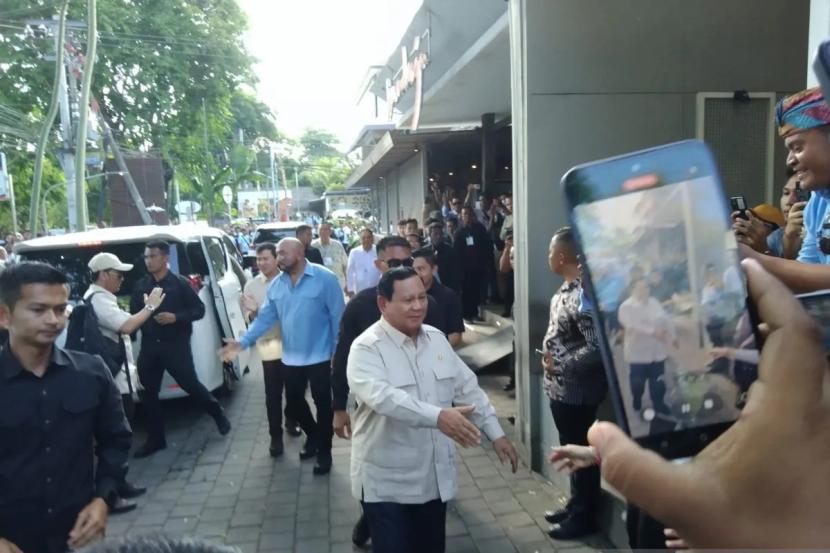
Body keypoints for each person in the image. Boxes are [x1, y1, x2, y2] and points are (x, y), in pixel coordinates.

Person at [581, 259, 830, 548]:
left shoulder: (742, 415)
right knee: (642, 400)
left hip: (693, 413)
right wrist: (594, 453)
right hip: (646, 368)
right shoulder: (634, 313)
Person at [346, 268, 519, 553]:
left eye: (422, 297)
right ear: (383, 304)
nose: (417, 306)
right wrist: (437, 417)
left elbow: (467, 387)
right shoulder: (366, 349)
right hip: (387, 486)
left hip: (432, 481)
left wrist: (496, 433)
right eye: (407, 300)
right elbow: (383, 398)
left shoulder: (436, 339)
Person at [0, 262, 132, 553]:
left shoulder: (91, 372)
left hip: (76, 539)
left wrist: (102, 498)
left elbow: (116, 440)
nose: (53, 320)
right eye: (38, 310)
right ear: (4, 316)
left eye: (60, 310)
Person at [332, 235, 452, 548]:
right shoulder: (361, 309)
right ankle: (369, 520)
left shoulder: (431, 310)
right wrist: (338, 407)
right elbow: (344, 360)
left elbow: (446, 365)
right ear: (379, 264)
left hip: (427, 450)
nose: (416, 307)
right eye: (393, 263)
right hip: (384, 452)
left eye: (406, 263)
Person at [220, 238, 344, 475]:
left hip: (320, 356)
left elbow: (338, 316)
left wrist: (338, 352)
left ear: (298, 253)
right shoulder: (277, 285)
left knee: (323, 405)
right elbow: (266, 318)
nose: (278, 258)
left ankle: (325, 453)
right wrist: (243, 342)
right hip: (290, 357)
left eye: (282, 253)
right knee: (295, 404)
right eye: (276, 254)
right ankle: (315, 435)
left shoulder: (324, 278)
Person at [130, 240, 231, 458]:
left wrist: (176, 317)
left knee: (191, 385)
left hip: (175, 347)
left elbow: (199, 310)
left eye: (153, 256)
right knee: (147, 393)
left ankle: (216, 412)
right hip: (149, 347)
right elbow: (134, 316)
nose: (148, 261)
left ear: (165, 258)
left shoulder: (179, 284)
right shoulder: (141, 286)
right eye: (146, 257)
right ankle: (156, 439)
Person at [83, 253, 166, 514]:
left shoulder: (100, 298)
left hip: (117, 378)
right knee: (114, 438)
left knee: (121, 434)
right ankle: (108, 494)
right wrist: (150, 307)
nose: (122, 279)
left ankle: (119, 483)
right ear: (104, 275)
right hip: (112, 381)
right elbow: (128, 326)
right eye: (118, 275)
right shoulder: (99, 300)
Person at [539, 228, 607, 539]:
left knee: (582, 453)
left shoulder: (584, 294)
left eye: (551, 252)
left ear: (562, 256)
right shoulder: (567, 289)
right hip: (561, 389)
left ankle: (585, 516)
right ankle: (576, 503)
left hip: (578, 392)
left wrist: (562, 363)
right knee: (571, 448)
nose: (548, 257)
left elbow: (597, 346)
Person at [241, 243, 297, 458]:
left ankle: (292, 420)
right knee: (272, 392)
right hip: (270, 342)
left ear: (276, 259)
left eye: (266, 258)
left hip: (294, 342)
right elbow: (250, 318)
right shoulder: (251, 286)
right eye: (259, 259)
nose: (262, 263)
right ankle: (275, 436)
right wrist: (254, 313)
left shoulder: (290, 281)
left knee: (294, 388)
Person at [618, 278, 675, 416]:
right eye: (640, 288)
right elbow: (631, 326)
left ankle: (658, 403)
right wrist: (653, 332)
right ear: (633, 290)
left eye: (646, 287)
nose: (644, 290)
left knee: (658, 381)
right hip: (638, 354)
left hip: (657, 352)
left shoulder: (654, 302)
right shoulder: (626, 307)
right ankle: (637, 398)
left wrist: (672, 336)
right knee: (638, 383)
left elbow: (665, 318)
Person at [412, 249, 464, 347]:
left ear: (434, 269)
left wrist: (436, 350)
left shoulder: (449, 296)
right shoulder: (404, 296)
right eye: (413, 270)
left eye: (421, 269)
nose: (416, 274)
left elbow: (456, 335)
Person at [453, 206, 492, 321]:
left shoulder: (479, 229)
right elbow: (456, 252)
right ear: (461, 216)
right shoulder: (459, 233)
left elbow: (487, 246)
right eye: (464, 214)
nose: (467, 217)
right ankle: (467, 315)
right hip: (465, 268)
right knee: (467, 292)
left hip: (478, 266)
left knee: (476, 291)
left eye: (469, 214)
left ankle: (474, 313)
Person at [311, 221, 348, 293]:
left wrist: (347, 283)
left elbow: (345, 265)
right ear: (318, 231)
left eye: (326, 229)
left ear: (330, 232)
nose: (323, 232)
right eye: (321, 229)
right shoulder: (313, 246)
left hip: (337, 283)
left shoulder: (337, 245)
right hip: (320, 285)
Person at [346, 228, 381, 297]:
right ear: (360, 240)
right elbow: (350, 271)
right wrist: (350, 289)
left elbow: (382, 270)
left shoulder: (378, 251)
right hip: (360, 289)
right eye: (363, 238)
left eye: (369, 237)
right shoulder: (354, 252)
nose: (366, 240)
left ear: (372, 239)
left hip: (376, 289)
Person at [427, 222, 460, 293]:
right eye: (435, 234)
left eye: (440, 234)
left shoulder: (450, 251)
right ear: (429, 235)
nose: (438, 236)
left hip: (447, 289)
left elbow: (455, 273)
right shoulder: (425, 252)